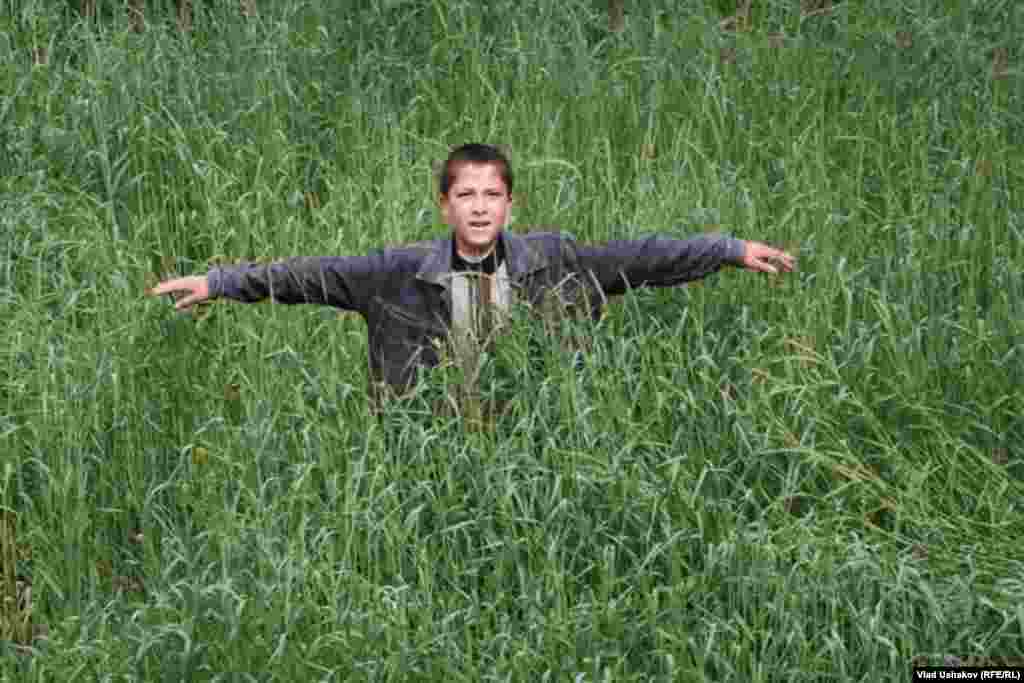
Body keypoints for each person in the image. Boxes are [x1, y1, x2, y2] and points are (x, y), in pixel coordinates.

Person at [149, 143, 796, 414]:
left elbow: (646, 258)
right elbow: (309, 276)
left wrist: (728, 249)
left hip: (530, 433)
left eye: (492, 195)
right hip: (428, 438)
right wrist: (218, 283)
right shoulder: (396, 273)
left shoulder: (555, 261)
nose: (479, 207)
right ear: (445, 206)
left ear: (511, 204)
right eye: (466, 194)